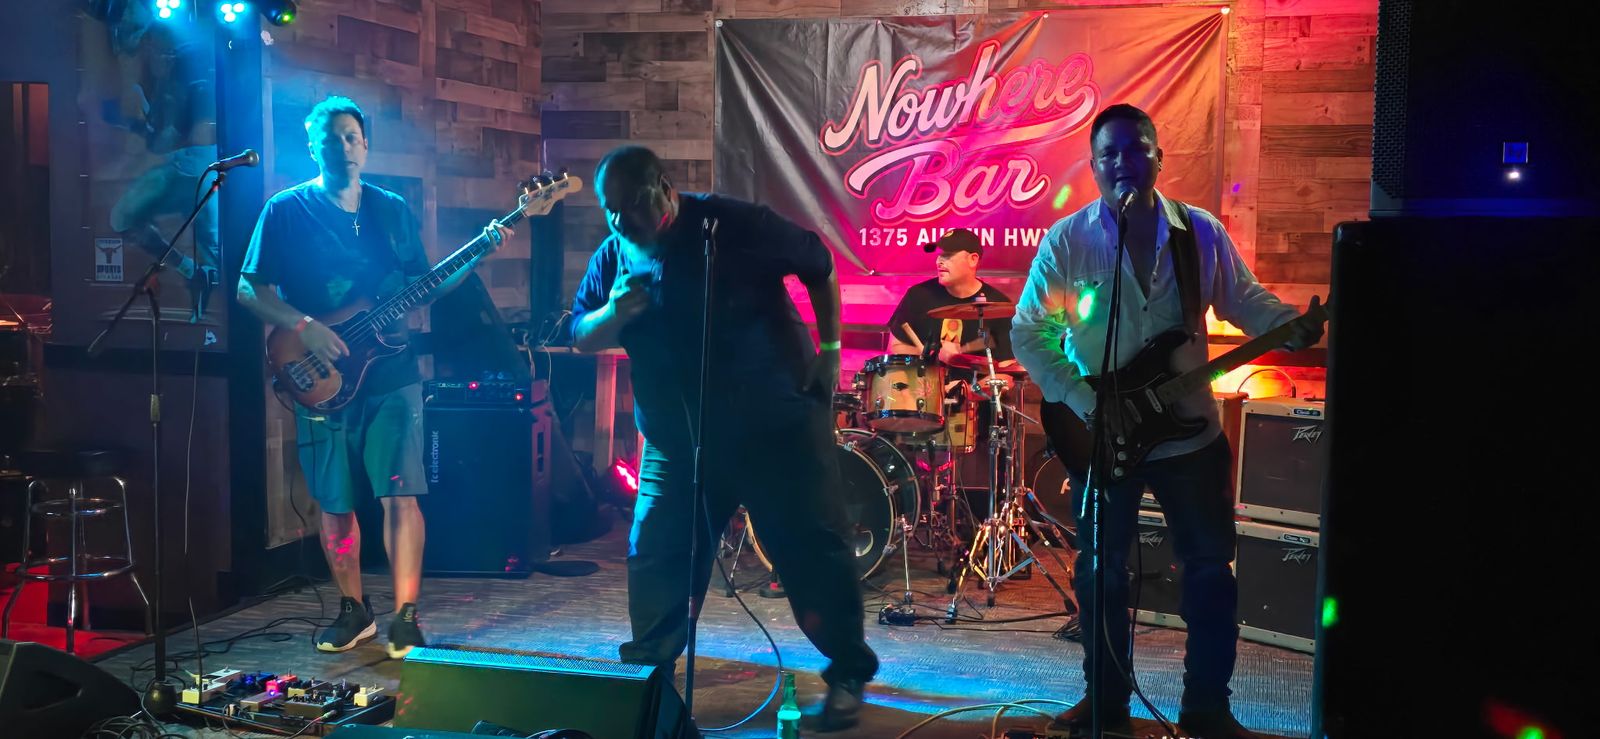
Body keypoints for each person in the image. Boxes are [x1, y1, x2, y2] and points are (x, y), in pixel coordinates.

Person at [1010, 104, 1322, 739]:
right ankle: (1106, 705)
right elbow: (1029, 333)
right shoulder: (1068, 240)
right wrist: (1087, 401)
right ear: (1093, 165)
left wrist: (1286, 325)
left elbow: (1244, 300)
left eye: (1136, 149)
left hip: (1190, 434)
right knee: (1101, 571)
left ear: (1158, 157)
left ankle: (1207, 709)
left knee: (1209, 571)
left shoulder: (1198, 232)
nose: (1122, 162)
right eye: (1109, 154)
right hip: (1102, 431)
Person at [569, 145, 878, 731]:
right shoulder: (613, 255)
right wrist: (612, 314)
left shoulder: (733, 224)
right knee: (656, 554)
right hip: (676, 443)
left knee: (812, 551)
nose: (619, 221)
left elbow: (818, 263)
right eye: (608, 209)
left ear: (664, 188)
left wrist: (832, 349)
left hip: (775, 430)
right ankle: (651, 679)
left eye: (630, 206)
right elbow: (580, 333)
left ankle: (847, 669)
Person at [237, 96, 510, 659]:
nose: (342, 146)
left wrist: (479, 251)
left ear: (366, 145)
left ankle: (406, 617)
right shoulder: (285, 210)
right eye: (330, 138)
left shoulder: (391, 210)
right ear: (312, 147)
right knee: (335, 502)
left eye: (351, 137)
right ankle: (353, 610)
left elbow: (424, 286)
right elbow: (248, 288)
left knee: (401, 494)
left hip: (392, 374)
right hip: (319, 373)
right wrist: (304, 326)